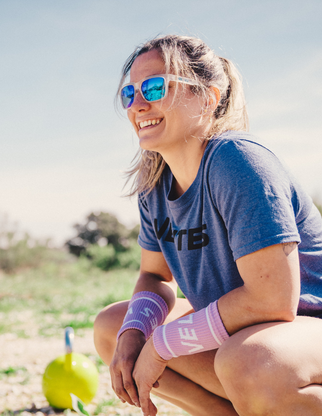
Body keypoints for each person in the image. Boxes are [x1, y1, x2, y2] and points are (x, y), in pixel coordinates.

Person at [93, 34, 322, 416]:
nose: (139, 104)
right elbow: (154, 277)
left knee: (249, 361)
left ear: (208, 97)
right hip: (245, 340)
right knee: (113, 328)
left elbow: (273, 300)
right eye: (129, 94)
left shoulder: (237, 161)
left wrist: (164, 343)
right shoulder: (154, 185)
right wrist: (136, 335)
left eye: (154, 86)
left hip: (304, 330)